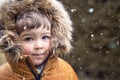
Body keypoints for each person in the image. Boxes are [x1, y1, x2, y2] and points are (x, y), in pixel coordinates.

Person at [0, 0, 79, 80]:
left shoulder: (66, 72)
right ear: (13, 42)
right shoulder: (3, 75)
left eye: (45, 37)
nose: (39, 46)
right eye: (29, 39)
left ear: (55, 37)